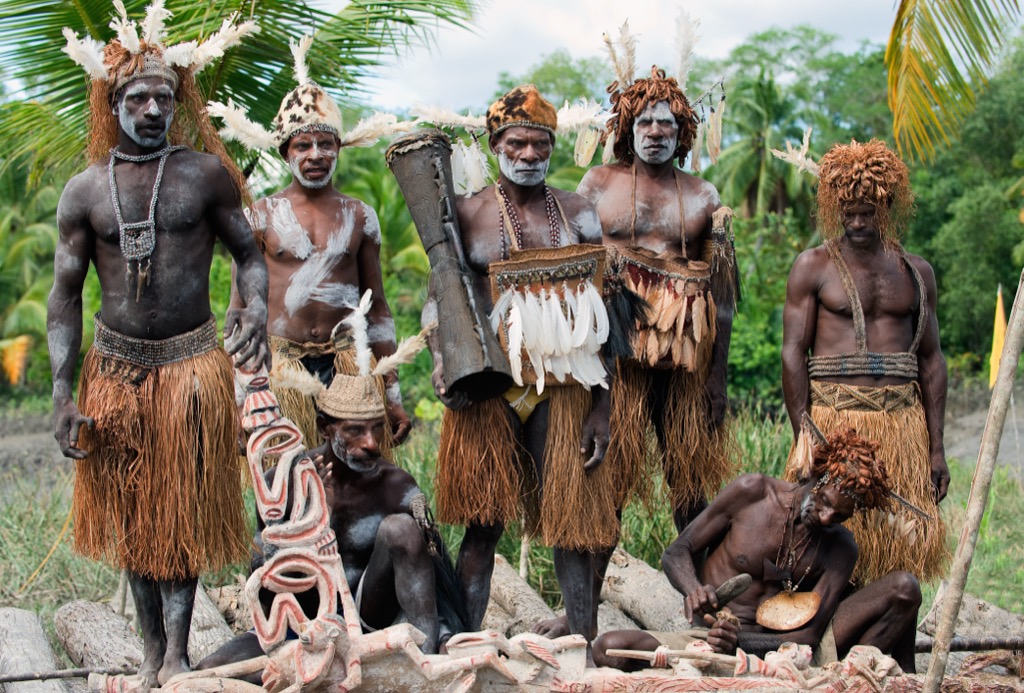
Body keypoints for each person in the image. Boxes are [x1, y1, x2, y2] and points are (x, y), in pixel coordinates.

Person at [50, 13, 266, 687]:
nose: (151, 109)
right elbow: (63, 296)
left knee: (181, 509)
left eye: (163, 99)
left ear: (178, 103)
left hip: (192, 361)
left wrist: (255, 305)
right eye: (137, 99)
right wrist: (61, 392)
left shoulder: (205, 175)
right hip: (114, 367)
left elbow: (250, 255)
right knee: (133, 512)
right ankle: (151, 652)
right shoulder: (85, 191)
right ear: (112, 105)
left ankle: (175, 652)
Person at [424, 85, 612, 645]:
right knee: (483, 525)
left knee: (573, 526)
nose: (529, 154)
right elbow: (442, 296)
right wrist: (442, 362)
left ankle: (582, 646)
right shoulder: (466, 213)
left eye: (539, 144)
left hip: (565, 385)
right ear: (495, 143)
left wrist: (604, 405)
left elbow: (606, 317)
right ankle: (464, 644)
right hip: (491, 386)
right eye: (516, 142)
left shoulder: (579, 213)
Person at [197, 358, 460, 682]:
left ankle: (425, 667)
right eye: (354, 431)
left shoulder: (399, 487)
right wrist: (310, 520)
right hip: (298, 629)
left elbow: (435, 569)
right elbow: (262, 579)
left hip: (367, 625)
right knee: (209, 675)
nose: (372, 443)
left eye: (377, 427)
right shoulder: (283, 482)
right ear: (325, 427)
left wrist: (446, 636)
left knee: (403, 529)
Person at [212, 35, 411, 448]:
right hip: (281, 367)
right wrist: (239, 395)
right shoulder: (260, 216)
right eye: (303, 145)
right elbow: (238, 307)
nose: (315, 154)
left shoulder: (360, 216)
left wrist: (391, 392)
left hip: (348, 363)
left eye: (325, 144)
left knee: (350, 482)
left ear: (339, 148)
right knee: (283, 480)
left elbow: (378, 308)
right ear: (286, 153)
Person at [593, 427, 922, 673]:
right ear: (817, 475)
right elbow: (678, 551)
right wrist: (694, 591)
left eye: (839, 516)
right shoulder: (752, 494)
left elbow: (808, 635)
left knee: (905, 588)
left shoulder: (841, 547)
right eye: (824, 503)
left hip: (785, 651)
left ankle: (857, 678)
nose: (826, 518)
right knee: (610, 648)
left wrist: (742, 644)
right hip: (710, 640)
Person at [577, 66, 738, 532]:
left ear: (683, 131)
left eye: (666, 123)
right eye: (645, 122)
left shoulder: (703, 195)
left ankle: (703, 596)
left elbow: (723, 298)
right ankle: (586, 606)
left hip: (683, 359)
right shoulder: (599, 184)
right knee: (607, 483)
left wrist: (717, 376)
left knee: (688, 485)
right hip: (615, 357)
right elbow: (576, 267)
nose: (655, 132)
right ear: (628, 128)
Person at [781, 139, 948, 585]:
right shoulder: (812, 267)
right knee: (830, 542)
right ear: (836, 207)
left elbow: (931, 361)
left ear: (887, 206)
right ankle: (831, 638)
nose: (857, 222)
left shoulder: (917, 272)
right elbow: (793, 352)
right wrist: (804, 436)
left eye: (868, 212)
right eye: (849, 211)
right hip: (834, 427)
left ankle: (892, 640)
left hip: (901, 426)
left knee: (900, 545)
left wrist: (936, 448)